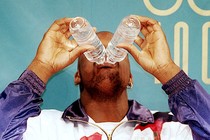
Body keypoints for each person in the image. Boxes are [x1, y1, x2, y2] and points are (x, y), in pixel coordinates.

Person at [0, 16, 210, 140]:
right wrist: (42, 67)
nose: (106, 56)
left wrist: (167, 70)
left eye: (118, 50)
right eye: (94, 51)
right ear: (77, 76)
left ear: (130, 78)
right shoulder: (45, 128)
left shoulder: (168, 128)